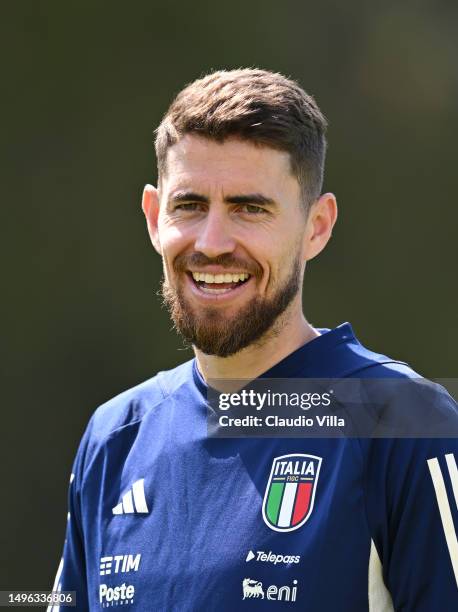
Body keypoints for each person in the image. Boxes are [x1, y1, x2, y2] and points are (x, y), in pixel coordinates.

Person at [49, 69, 458, 611]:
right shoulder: (114, 438)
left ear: (317, 227)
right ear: (154, 217)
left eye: (250, 208)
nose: (212, 243)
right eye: (190, 205)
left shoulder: (404, 424)